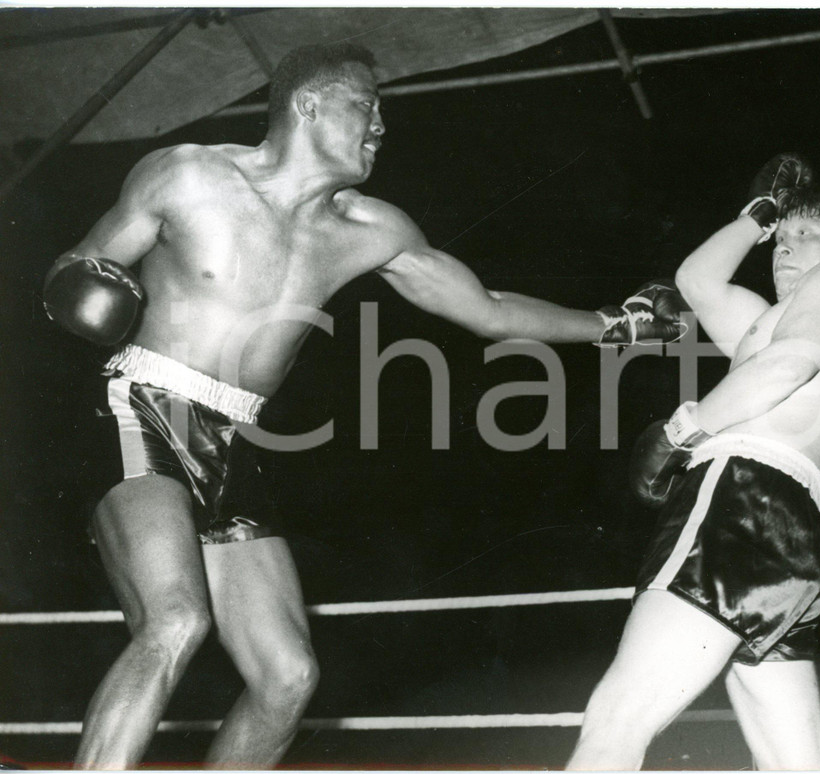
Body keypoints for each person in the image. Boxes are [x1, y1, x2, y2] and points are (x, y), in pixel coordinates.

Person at [41, 44, 687, 770]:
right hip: (142, 404)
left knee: (287, 677)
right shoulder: (187, 175)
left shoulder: (371, 230)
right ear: (307, 103)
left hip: (234, 439)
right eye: (365, 105)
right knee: (176, 619)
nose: (381, 123)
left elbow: (488, 309)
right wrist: (77, 287)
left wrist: (616, 324)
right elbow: (80, 262)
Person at [566, 154, 820, 771]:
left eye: (803, 235)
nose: (782, 250)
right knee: (801, 768)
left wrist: (685, 430)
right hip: (784, 528)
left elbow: (788, 366)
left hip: (743, 498)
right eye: (778, 241)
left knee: (616, 722)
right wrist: (759, 216)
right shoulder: (767, 320)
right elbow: (697, 281)